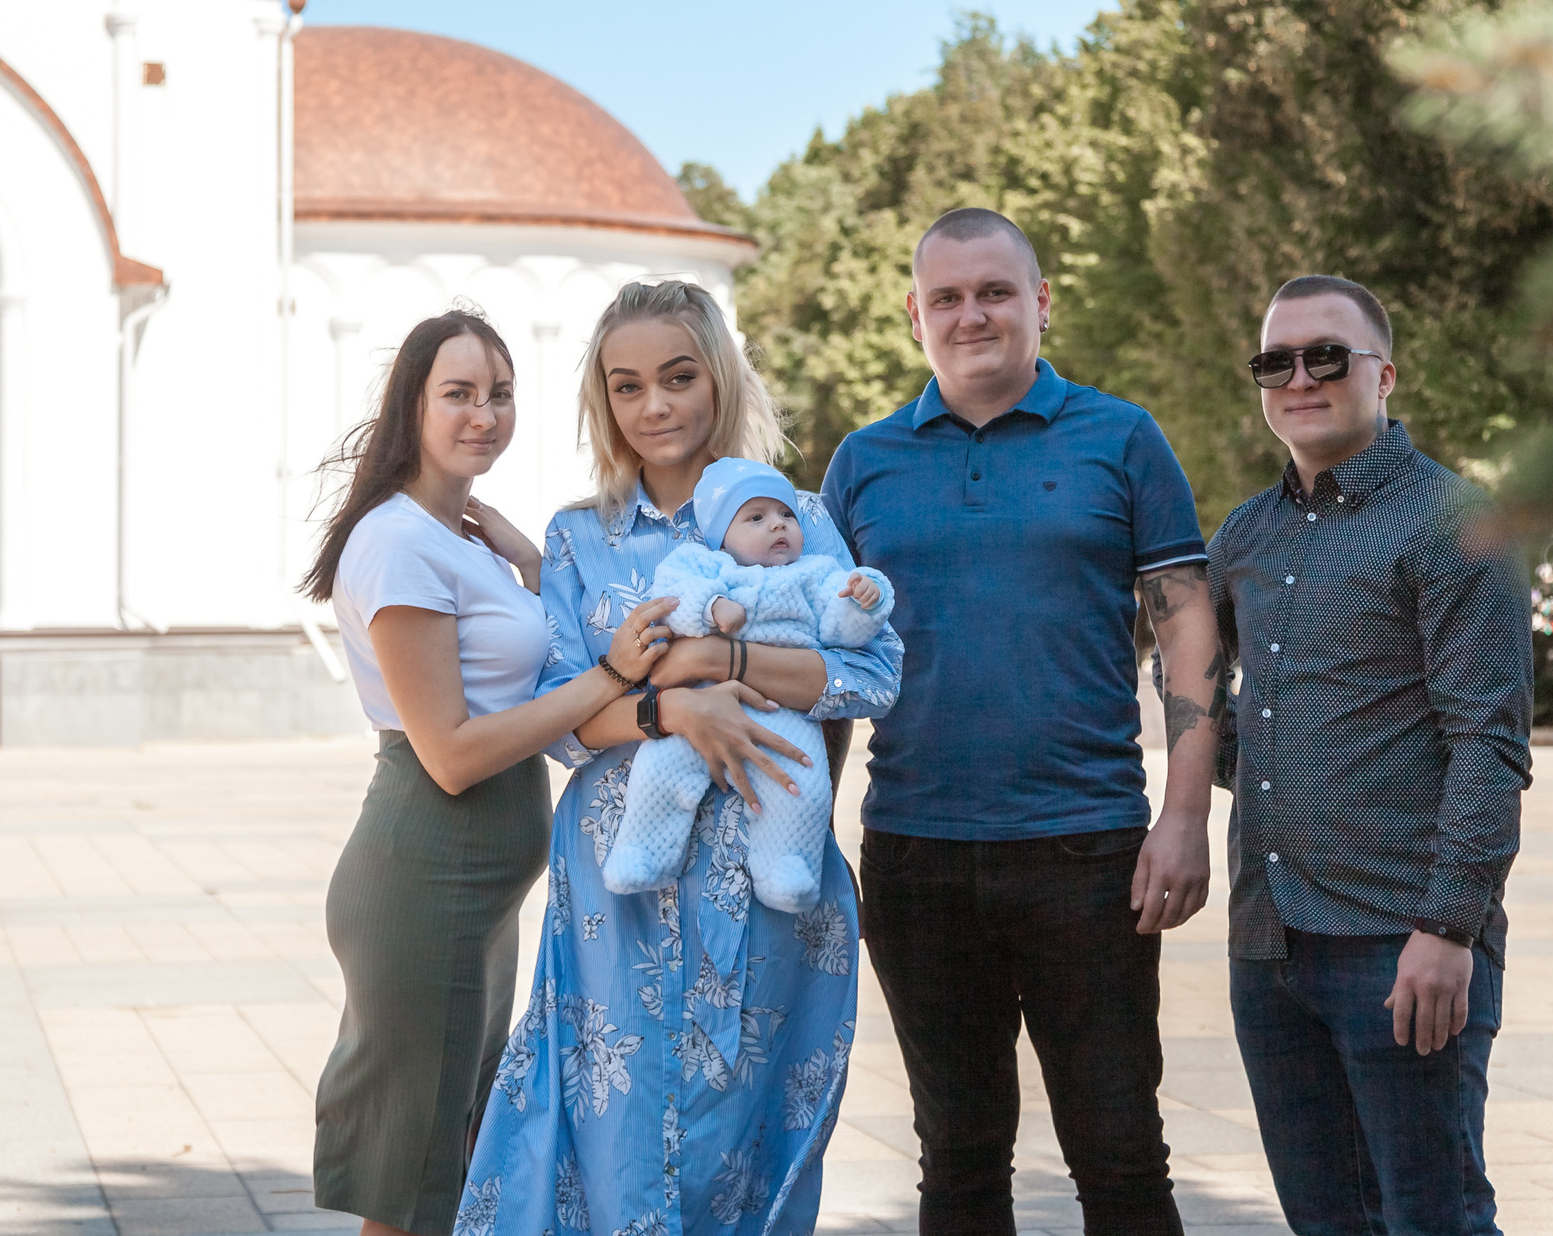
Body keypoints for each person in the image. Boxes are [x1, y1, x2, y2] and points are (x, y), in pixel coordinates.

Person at [459, 279, 903, 1236]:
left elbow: (871, 672)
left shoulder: (796, 512)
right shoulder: (579, 537)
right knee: (614, 1139)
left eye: (678, 376)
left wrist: (723, 659)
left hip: (770, 875)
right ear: (603, 400)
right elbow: (564, 718)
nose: (654, 405)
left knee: (746, 1132)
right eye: (627, 386)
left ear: (720, 378)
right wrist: (675, 709)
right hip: (617, 886)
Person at [820, 207, 1225, 1236]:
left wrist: (1183, 816)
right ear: (914, 317)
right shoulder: (860, 464)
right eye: (946, 298)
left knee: (1120, 1154)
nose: (972, 315)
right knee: (956, 1160)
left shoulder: (1122, 437)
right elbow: (825, 666)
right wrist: (806, 838)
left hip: (1086, 851)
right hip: (915, 854)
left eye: (994, 291)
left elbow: (1186, 627)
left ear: (1039, 303)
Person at [306, 311, 648, 1236]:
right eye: (458, 392)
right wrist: (606, 681)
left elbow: (535, 634)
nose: (484, 413)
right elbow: (452, 753)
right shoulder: (398, 543)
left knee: (454, 1165)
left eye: (499, 393)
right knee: (409, 1183)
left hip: (475, 898)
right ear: (411, 403)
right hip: (428, 878)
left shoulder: (453, 536)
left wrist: (521, 550)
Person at [1205, 276, 1530, 1236]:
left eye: (1326, 356)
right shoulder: (1247, 534)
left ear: (1384, 373)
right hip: (1268, 949)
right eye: (1276, 361)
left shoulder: (1455, 522)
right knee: (1326, 1221)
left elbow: (1490, 739)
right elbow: (1196, 681)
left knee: (1435, 1219)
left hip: (1401, 943)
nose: (1299, 376)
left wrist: (1449, 926)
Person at [604, 456, 895, 910]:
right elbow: (672, 593)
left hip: (783, 710)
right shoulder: (705, 564)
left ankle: (787, 869)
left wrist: (863, 601)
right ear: (722, 535)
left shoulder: (815, 573)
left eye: (785, 515)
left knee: (801, 781)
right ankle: (642, 851)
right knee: (660, 770)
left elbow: (842, 634)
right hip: (696, 701)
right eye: (756, 518)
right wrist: (713, 607)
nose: (777, 526)